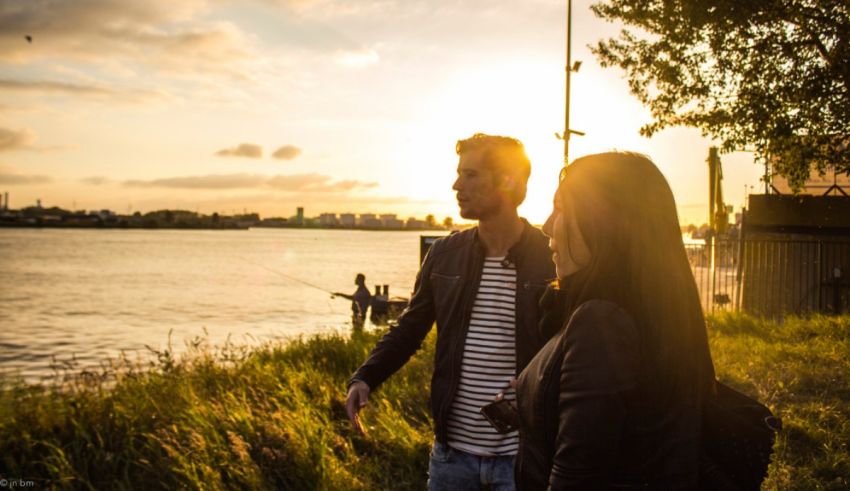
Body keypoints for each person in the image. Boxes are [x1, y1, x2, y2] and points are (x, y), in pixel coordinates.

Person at [346, 134, 556, 490]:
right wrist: (366, 377)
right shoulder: (444, 254)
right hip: (451, 458)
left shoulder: (549, 258)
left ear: (509, 181)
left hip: (522, 459)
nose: (457, 185)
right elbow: (409, 329)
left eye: (470, 175)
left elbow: (569, 348)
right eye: (459, 173)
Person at [514, 152, 716, 489]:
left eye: (561, 208)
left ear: (604, 223)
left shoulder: (601, 322)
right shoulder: (647, 314)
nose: (547, 225)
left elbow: (577, 477)